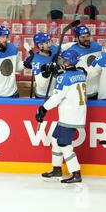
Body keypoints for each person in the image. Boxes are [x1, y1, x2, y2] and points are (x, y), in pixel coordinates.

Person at [36, 49, 86, 184]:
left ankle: (76, 173)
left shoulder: (63, 78)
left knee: (64, 144)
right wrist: (58, 72)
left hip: (69, 116)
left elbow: (57, 96)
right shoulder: (81, 73)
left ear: (67, 62)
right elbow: (70, 81)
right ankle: (57, 169)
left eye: (63, 60)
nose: (61, 62)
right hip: (73, 114)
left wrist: (43, 108)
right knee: (55, 139)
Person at [61, 25, 103, 99]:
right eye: (83, 37)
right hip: (81, 91)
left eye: (87, 36)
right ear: (77, 38)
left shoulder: (97, 46)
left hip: (97, 89)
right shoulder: (72, 51)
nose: (86, 39)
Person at [23, 32, 58, 98]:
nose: (50, 45)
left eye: (49, 42)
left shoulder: (54, 49)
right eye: (47, 43)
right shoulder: (36, 61)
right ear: (40, 45)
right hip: (43, 94)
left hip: (55, 92)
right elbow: (41, 85)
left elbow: (63, 47)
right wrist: (46, 74)